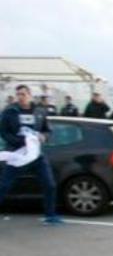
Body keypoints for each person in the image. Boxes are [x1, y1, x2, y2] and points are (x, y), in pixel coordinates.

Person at [0, 85, 63, 225]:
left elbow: (47, 130)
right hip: (18, 155)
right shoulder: (10, 111)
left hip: (36, 155)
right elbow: (4, 132)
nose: (20, 97)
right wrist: (21, 141)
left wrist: (44, 137)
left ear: (30, 95)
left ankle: (50, 216)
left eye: (23, 94)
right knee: (4, 185)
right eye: (18, 94)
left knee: (49, 184)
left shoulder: (40, 111)